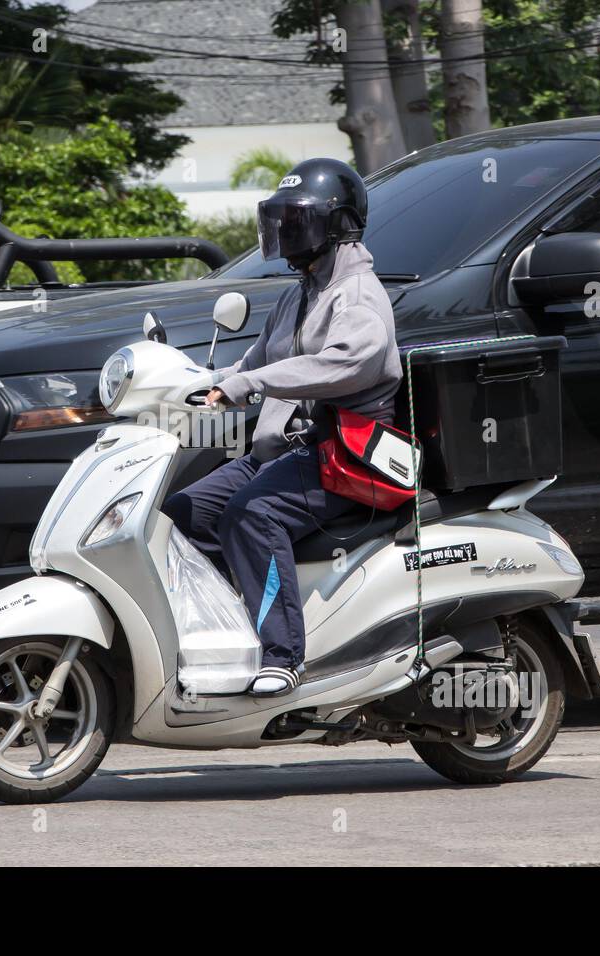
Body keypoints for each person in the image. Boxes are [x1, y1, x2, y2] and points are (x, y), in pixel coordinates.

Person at [164, 158, 402, 697]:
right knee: (180, 516)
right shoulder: (298, 293)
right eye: (281, 220)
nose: (286, 233)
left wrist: (247, 387)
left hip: (341, 455)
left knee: (253, 516)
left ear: (336, 225)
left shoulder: (358, 295)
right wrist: (184, 384)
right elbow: (249, 367)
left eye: (299, 221)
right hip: (279, 452)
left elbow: (346, 364)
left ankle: (281, 654)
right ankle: (231, 624)